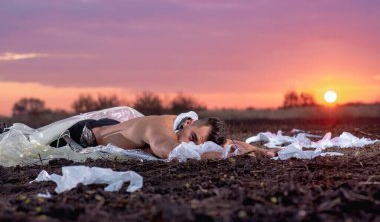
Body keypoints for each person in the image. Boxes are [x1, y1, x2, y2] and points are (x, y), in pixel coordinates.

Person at [53, 114, 278, 159]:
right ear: (189, 123)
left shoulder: (184, 129)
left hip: (118, 127)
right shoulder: (160, 130)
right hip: (85, 134)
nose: (187, 143)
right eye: (193, 138)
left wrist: (262, 151)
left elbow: (228, 143)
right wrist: (219, 156)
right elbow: (172, 152)